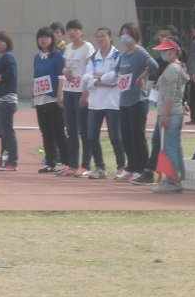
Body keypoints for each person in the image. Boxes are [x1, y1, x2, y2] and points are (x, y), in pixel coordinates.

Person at [115, 23, 159, 182]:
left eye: (127, 34)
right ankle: (131, 167)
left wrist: (141, 77)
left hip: (138, 100)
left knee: (137, 136)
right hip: (124, 100)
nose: (124, 37)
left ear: (134, 35)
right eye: (122, 34)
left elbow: (154, 65)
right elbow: (116, 70)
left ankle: (141, 169)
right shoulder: (123, 56)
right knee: (126, 136)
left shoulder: (140, 52)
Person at [82, 27, 125, 179]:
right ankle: (100, 167)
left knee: (115, 136)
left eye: (103, 36)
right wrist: (101, 81)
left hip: (112, 102)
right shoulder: (93, 57)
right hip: (95, 102)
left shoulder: (118, 56)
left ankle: (121, 167)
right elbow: (86, 78)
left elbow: (116, 78)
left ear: (110, 38)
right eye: (98, 36)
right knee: (91, 136)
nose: (100, 39)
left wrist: (98, 78)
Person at [150, 36, 190, 193]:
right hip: (174, 112)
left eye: (165, 50)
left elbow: (171, 94)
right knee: (174, 147)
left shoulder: (173, 69)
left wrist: (165, 115)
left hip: (171, 113)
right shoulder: (177, 67)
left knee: (169, 148)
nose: (162, 53)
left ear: (173, 51)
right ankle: (175, 180)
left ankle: (172, 182)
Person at [59, 19, 95, 177]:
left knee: (83, 129)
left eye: (75, 30)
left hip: (81, 90)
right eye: (69, 30)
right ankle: (72, 164)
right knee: (71, 129)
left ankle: (85, 165)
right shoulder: (68, 48)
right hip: (68, 89)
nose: (72, 33)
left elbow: (90, 69)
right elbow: (66, 66)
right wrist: (65, 70)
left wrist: (85, 94)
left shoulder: (88, 47)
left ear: (82, 31)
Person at [33, 26, 71, 173]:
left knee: (58, 131)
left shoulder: (58, 56)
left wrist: (60, 95)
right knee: (46, 132)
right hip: (40, 99)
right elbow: (36, 78)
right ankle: (50, 162)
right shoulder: (37, 58)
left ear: (52, 39)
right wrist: (34, 97)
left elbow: (61, 76)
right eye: (40, 37)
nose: (43, 40)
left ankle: (66, 162)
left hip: (53, 98)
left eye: (46, 37)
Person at [0, 31, 19, 171]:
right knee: (2, 131)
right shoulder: (1, 57)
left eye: (1, 41)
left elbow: (11, 74)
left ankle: (12, 161)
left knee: (6, 131)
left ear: (8, 43)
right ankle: (3, 159)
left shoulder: (8, 56)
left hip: (6, 99)